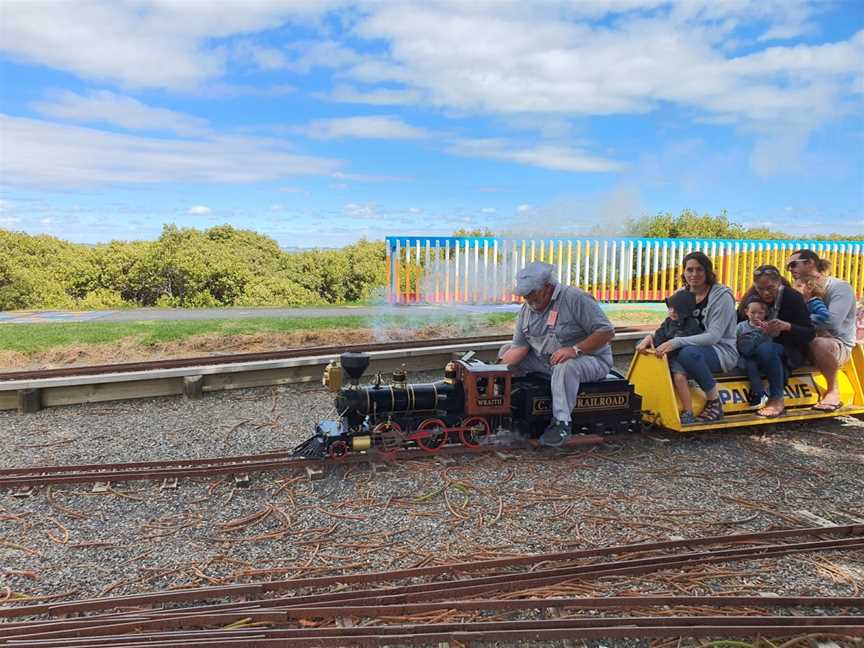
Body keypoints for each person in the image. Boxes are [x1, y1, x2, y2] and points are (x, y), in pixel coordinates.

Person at [500, 261, 615, 447]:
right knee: (505, 350)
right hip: (547, 361)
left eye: (531, 293)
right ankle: (514, 409)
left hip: (591, 360)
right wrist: (492, 370)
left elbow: (606, 332)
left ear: (547, 287)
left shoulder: (575, 298)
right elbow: (518, 349)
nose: (527, 299)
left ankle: (562, 423)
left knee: (565, 365)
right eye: (524, 295)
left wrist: (575, 350)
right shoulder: (526, 311)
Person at [636, 251, 737, 424]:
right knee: (657, 353)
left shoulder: (722, 296)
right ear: (683, 272)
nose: (694, 274)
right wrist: (650, 338)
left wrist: (676, 342)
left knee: (687, 353)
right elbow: (670, 325)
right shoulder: (682, 293)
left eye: (699, 269)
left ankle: (714, 402)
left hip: (720, 351)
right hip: (687, 347)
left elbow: (713, 336)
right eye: (689, 270)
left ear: (708, 272)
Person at [736, 265, 815, 418]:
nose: (765, 293)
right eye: (760, 288)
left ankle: (776, 399)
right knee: (760, 349)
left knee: (767, 349)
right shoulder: (752, 298)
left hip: (789, 349)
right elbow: (737, 321)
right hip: (753, 347)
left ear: (779, 283)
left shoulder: (792, 297)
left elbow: (809, 334)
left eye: (770, 288)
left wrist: (787, 327)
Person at [786, 249, 857, 411]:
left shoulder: (839, 287)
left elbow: (832, 321)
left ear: (810, 263)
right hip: (803, 339)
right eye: (788, 267)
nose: (790, 269)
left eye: (793, 264)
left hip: (836, 344)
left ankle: (833, 391)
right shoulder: (798, 288)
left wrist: (796, 324)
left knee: (819, 343)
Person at [736, 299, 772, 407]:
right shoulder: (741, 326)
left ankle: (770, 392)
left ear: (766, 313)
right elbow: (734, 340)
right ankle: (759, 393)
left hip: (763, 356)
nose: (756, 316)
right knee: (751, 366)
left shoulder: (768, 326)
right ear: (746, 311)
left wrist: (765, 332)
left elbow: (770, 343)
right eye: (753, 312)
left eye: (760, 313)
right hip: (748, 357)